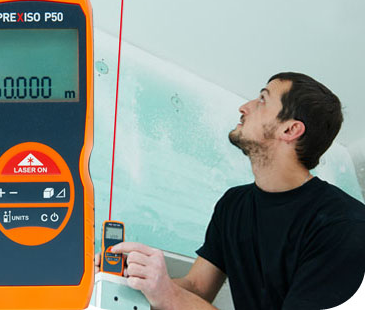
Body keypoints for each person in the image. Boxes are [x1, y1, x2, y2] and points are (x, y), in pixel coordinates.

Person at [95, 72, 365, 310]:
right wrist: (136, 281)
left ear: (290, 129)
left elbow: (179, 298)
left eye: (262, 100)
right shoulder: (234, 204)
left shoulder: (345, 225)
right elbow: (197, 287)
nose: (244, 107)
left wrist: (168, 294)